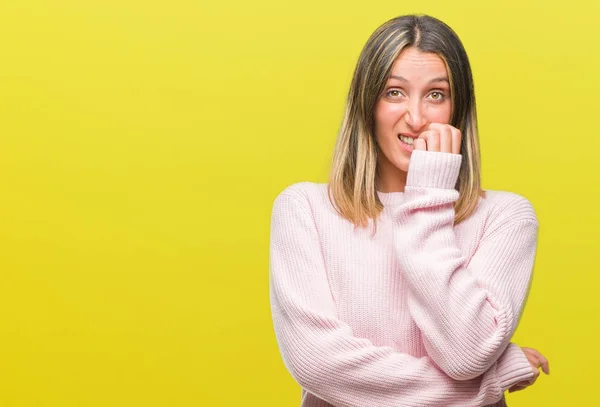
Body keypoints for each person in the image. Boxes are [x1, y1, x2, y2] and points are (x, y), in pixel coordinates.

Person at [269, 14, 549, 407]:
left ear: (458, 109)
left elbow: (466, 355)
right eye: (394, 93)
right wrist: (490, 383)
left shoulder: (506, 218)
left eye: (436, 94)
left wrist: (430, 196)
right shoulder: (305, 210)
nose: (416, 119)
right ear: (367, 104)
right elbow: (318, 365)